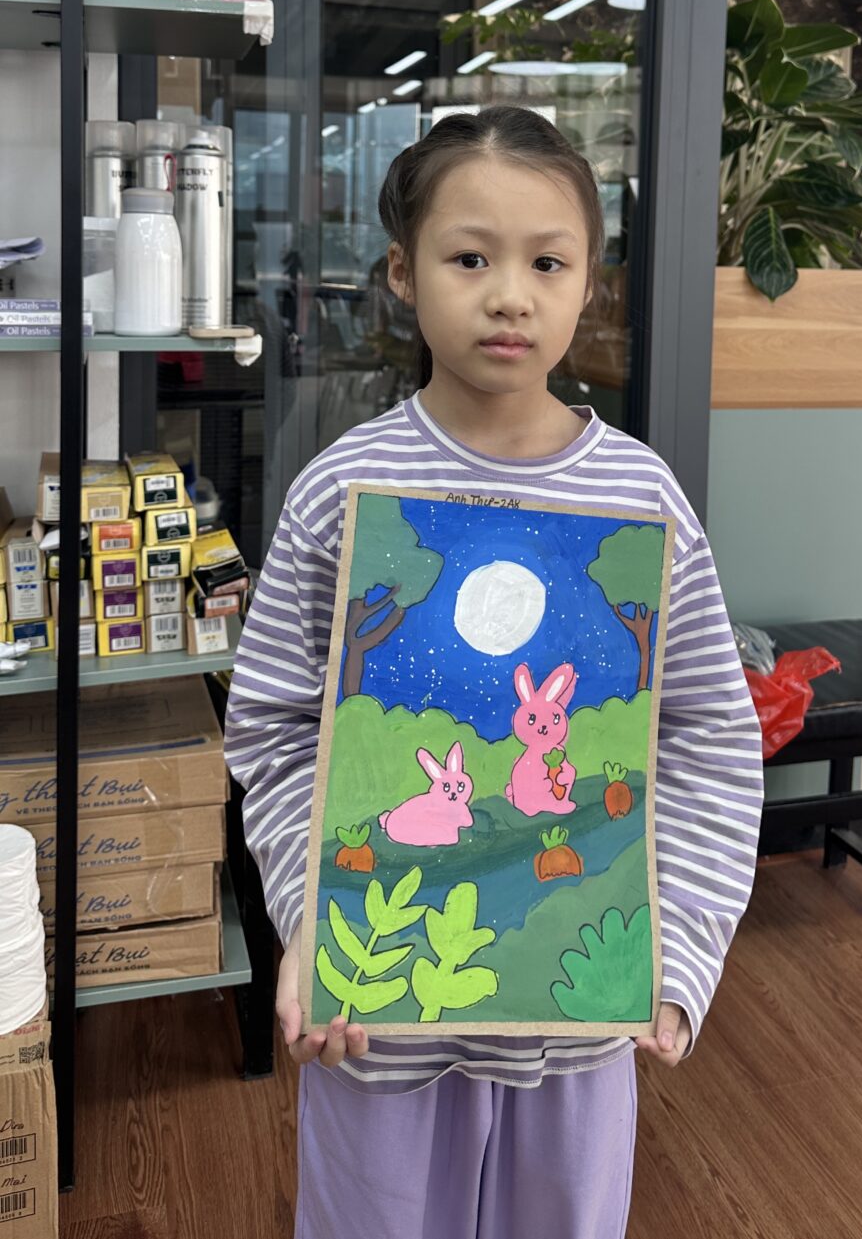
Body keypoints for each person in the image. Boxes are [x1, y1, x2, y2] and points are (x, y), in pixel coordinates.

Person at [224, 104, 764, 1239]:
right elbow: (274, 727)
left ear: (588, 284)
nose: (509, 294)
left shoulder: (642, 498)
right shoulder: (338, 490)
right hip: (378, 1024)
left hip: (576, 1028)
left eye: (547, 263)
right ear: (401, 273)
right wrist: (312, 917)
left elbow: (707, 735)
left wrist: (677, 948)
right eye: (470, 257)